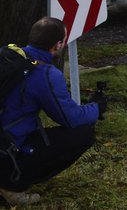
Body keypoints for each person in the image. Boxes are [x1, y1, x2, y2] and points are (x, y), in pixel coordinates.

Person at [0, 17, 105, 206]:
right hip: (6, 151)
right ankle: (11, 184)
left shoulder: (8, 56)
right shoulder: (45, 74)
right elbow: (71, 119)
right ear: (58, 45)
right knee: (83, 133)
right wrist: (96, 107)